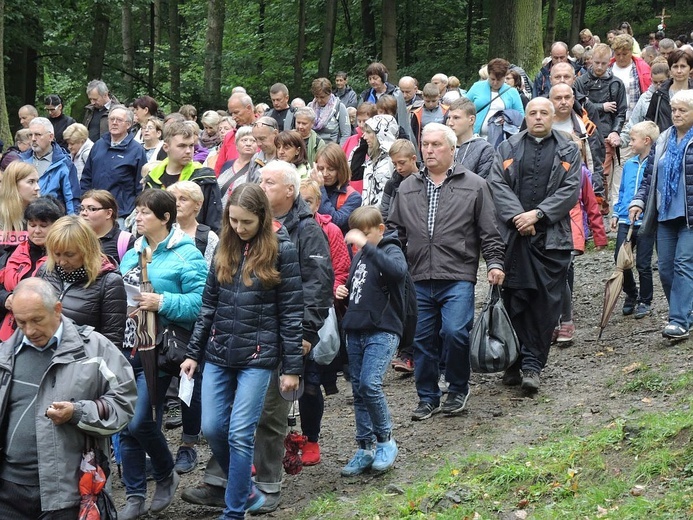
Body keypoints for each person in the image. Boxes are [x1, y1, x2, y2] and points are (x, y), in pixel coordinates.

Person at [180, 183, 303, 518]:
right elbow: (208, 305)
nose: (239, 227)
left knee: (239, 432)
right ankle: (246, 490)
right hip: (219, 352)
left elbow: (292, 311)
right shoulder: (224, 247)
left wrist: (292, 368)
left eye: (246, 222)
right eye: (233, 220)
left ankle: (234, 511)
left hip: (259, 357)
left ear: (262, 218)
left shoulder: (281, 249)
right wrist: (193, 353)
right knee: (212, 427)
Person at [388, 123, 505, 420]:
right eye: (425, 144)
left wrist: (494, 263)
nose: (429, 150)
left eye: (436, 144)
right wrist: (392, 264)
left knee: (455, 332)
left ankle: (456, 387)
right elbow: (394, 232)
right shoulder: (407, 187)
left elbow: (489, 231)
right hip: (418, 276)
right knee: (422, 340)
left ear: (452, 149)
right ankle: (428, 396)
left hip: (457, 274)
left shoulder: (475, 185)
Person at [0, 277, 136, 519]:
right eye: (21, 322)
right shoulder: (5, 354)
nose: (30, 330)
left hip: (68, 493)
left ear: (57, 309)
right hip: (8, 489)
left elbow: (124, 402)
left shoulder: (94, 349)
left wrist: (78, 412)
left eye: (37, 320)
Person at [117, 189, 207, 519]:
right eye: (137, 211)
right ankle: (134, 495)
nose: (137, 217)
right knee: (125, 425)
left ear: (165, 218)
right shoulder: (133, 251)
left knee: (141, 420)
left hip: (160, 348)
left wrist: (162, 302)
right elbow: (122, 290)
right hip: (127, 345)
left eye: (144, 213)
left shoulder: (187, 254)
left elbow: (202, 304)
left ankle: (165, 470)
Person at [490, 97, 581, 392]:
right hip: (515, 237)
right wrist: (519, 217)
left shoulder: (568, 149)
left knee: (545, 306)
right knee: (514, 300)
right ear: (525, 117)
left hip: (552, 240)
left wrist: (538, 215)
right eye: (533, 113)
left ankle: (533, 366)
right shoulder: (508, 147)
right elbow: (497, 184)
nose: (538, 117)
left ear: (553, 116)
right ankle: (513, 361)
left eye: (544, 113)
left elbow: (570, 190)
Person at [336, 206, 407, 476]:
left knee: (370, 383)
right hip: (355, 329)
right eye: (357, 235)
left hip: (383, 329)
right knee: (358, 390)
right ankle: (365, 447)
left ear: (380, 230)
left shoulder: (390, 249)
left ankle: (386, 441)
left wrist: (367, 245)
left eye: (366, 234)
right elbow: (362, 287)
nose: (360, 241)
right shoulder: (361, 257)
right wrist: (344, 289)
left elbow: (397, 272)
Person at [629, 90, 693, 340]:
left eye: (682, 110)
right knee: (665, 269)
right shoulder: (664, 138)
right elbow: (649, 177)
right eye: (674, 110)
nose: (676, 114)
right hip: (665, 214)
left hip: (690, 216)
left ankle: (678, 320)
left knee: (683, 265)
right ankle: (686, 311)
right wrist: (639, 201)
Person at [40, 215, 127, 348]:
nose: (62, 262)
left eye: (70, 255)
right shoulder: (46, 270)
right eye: (56, 254)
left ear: (87, 250)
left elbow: (112, 341)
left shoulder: (109, 282)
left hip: (82, 361)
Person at [610, 121, 659, 319]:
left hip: (645, 222)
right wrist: (616, 213)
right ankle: (631, 293)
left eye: (632, 140)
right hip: (625, 219)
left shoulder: (655, 164)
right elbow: (622, 191)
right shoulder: (629, 164)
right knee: (620, 259)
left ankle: (645, 300)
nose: (629, 143)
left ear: (646, 141)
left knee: (643, 263)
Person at [0, 197, 66, 340]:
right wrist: (5, 298)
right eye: (32, 224)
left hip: (45, 331)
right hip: (8, 332)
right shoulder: (13, 251)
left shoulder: (64, 257)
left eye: (43, 225)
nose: (36, 231)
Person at [143, 120, 222, 232]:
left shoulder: (203, 177)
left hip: (196, 242)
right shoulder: (152, 179)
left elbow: (214, 220)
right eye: (182, 146)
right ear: (166, 147)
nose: (188, 151)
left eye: (191, 146)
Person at [575, 43, 627, 209]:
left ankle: (601, 210)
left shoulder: (616, 84)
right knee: (585, 172)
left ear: (609, 62)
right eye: (596, 62)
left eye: (603, 63)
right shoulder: (581, 82)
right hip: (585, 132)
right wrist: (601, 106)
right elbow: (579, 105)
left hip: (605, 132)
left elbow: (621, 112)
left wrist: (615, 132)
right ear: (591, 60)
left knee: (602, 174)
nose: (599, 66)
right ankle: (587, 210)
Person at [80, 105, 147, 222]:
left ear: (128, 124)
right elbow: (86, 177)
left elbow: (140, 186)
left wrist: (136, 211)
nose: (114, 123)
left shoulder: (137, 150)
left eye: (119, 120)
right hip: (93, 211)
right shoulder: (98, 145)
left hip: (121, 213)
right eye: (111, 119)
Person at [20, 117, 81, 214]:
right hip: (24, 221)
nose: (33, 139)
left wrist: (71, 227)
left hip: (54, 222)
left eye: (38, 135)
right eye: (30, 135)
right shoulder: (21, 161)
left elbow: (72, 200)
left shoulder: (64, 164)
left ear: (51, 137)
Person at [466, 58, 525, 139]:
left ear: (505, 77)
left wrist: (508, 119)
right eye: (492, 79)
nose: (495, 83)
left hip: (502, 139)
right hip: (475, 136)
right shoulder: (477, 86)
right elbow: (463, 108)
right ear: (488, 74)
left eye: (499, 80)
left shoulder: (512, 92)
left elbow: (520, 116)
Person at [312, 142, 362, 234]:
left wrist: (320, 188)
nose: (325, 174)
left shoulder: (354, 197)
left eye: (331, 169)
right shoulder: (309, 189)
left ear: (341, 169)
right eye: (321, 168)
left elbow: (336, 221)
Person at [168, 180, 220, 266]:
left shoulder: (209, 237)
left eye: (183, 199)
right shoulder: (164, 232)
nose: (176, 204)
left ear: (198, 205)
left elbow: (210, 272)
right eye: (173, 199)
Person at [0, 162, 41, 266]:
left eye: (37, 181)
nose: (37, 187)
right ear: (14, 184)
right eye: (31, 182)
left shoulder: (42, 215)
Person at [445, 98, 496, 179]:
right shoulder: (442, 145)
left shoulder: (484, 149)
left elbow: (482, 185)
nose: (450, 123)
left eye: (456, 118)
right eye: (449, 118)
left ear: (471, 120)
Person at [79, 189, 135, 261]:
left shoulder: (127, 241)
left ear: (108, 213)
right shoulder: (75, 238)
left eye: (92, 209)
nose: (84, 213)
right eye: (82, 209)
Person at [646, 49, 693, 132]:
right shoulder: (659, 94)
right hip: (664, 141)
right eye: (675, 66)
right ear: (670, 69)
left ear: (690, 69)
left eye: (683, 66)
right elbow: (650, 121)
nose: (679, 71)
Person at [215, 93, 257, 176]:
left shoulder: (264, 131)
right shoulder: (229, 136)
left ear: (248, 108)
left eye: (236, 112)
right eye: (231, 113)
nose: (233, 117)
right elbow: (219, 168)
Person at [361, 114, 399, 207]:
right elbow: (353, 171)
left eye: (369, 132)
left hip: (385, 217)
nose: (364, 137)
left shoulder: (393, 159)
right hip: (367, 216)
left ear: (380, 133)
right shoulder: (371, 159)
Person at [380, 138, 418, 223]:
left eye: (402, 163)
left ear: (413, 159)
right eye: (394, 164)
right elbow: (384, 213)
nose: (398, 168)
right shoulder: (391, 184)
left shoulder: (425, 182)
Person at [217, 126, 256, 205]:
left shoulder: (257, 168)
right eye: (244, 140)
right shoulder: (227, 165)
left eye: (253, 141)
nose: (248, 144)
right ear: (236, 144)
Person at [308, 77, 351, 145]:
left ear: (329, 93)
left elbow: (346, 134)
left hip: (331, 149)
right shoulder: (310, 107)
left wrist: (339, 152)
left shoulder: (339, 107)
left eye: (322, 97)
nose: (319, 100)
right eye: (316, 97)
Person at [410, 83, 449, 150]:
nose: (431, 104)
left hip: (442, 147)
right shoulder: (417, 113)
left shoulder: (446, 111)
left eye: (434, 101)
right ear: (423, 97)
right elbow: (413, 135)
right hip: (424, 148)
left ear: (439, 97)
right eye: (427, 101)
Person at [246, 117, 279, 183]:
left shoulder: (285, 158)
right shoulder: (256, 158)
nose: (258, 144)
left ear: (275, 134)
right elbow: (248, 187)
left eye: (262, 138)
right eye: (255, 139)